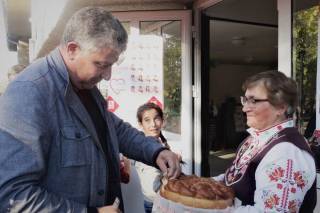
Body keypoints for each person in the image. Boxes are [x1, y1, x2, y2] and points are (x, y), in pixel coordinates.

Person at [0, 7, 181, 213]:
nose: (108, 76)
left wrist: (155, 151)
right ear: (72, 49)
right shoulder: (29, 93)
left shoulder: (85, 85)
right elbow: (12, 195)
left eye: (111, 65)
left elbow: (114, 129)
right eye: (101, 65)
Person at [214, 71, 316, 212]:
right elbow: (233, 178)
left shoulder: (286, 152)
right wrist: (198, 183)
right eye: (245, 100)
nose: (244, 108)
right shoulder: (256, 139)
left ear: (281, 107)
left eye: (253, 100)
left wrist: (211, 210)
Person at [134, 102, 171, 213]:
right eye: (147, 120)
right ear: (140, 124)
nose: (153, 124)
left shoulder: (163, 144)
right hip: (153, 202)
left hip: (166, 200)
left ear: (162, 121)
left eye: (156, 119)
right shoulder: (139, 147)